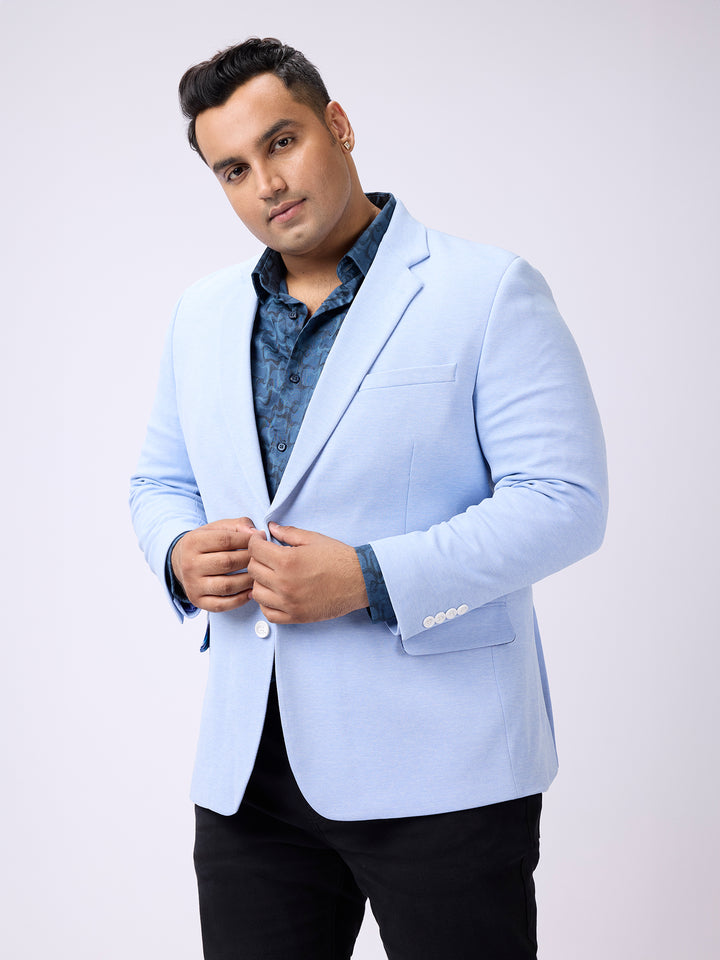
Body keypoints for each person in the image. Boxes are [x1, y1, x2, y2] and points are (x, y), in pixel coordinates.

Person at [130, 36, 608, 960]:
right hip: (251, 777)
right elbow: (160, 480)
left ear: (338, 126)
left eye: (282, 142)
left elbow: (565, 499)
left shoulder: (486, 289)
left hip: (446, 771)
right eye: (234, 169)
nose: (267, 184)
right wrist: (178, 553)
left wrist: (370, 577)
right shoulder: (202, 313)